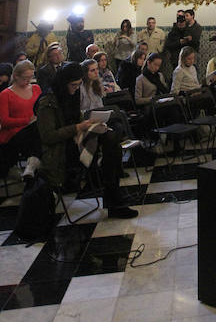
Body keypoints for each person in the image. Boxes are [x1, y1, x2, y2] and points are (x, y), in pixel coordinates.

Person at [36, 62, 137, 218]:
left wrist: (91, 124)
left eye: (78, 85)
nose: (76, 89)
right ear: (63, 83)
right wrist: (78, 127)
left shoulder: (72, 94)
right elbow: (48, 136)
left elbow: (76, 118)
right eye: (73, 85)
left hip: (76, 139)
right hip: (61, 150)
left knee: (111, 137)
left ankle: (114, 197)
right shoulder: (47, 102)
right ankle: (114, 198)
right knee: (110, 145)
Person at [0, 60, 42, 180]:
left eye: (30, 77)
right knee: (37, 129)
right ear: (16, 76)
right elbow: (4, 121)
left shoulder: (36, 88)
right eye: (25, 78)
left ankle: (33, 164)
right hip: (13, 134)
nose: (28, 81)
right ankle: (33, 163)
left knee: (41, 129)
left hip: (33, 130)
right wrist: (27, 120)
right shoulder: (5, 94)